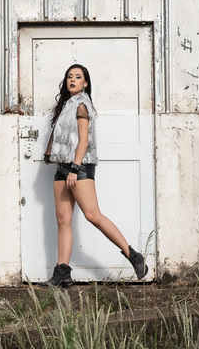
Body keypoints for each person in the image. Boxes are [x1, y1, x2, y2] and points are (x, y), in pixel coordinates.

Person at [41, 63, 148, 287]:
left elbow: (84, 140)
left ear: (85, 83)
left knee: (93, 215)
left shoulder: (81, 105)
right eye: (69, 76)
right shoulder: (66, 105)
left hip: (77, 168)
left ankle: (133, 255)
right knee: (63, 220)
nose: (72, 80)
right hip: (61, 167)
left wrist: (74, 168)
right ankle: (62, 272)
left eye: (78, 77)